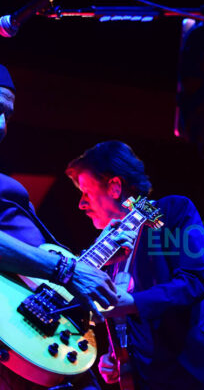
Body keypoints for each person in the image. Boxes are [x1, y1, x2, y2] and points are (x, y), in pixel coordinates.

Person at [65, 140, 204, 390]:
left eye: (86, 192)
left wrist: (133, 303)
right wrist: (119, 360)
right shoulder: (110, 260)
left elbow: (194, 281)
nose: (81, 204)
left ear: (114, 187)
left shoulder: (169, 212)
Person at [0, 65, 135, 390]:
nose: (3, 125)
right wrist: (67, 270)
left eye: (8, 115)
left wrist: (86, 262)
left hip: (37, 336)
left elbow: (30, 258)